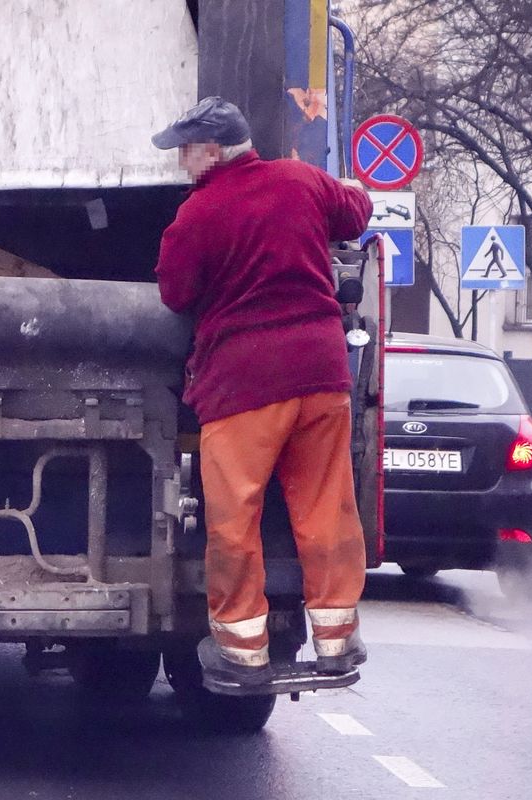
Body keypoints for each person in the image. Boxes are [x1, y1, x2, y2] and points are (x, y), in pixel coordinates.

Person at [152, 97, 374, 688]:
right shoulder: (302, 180)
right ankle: (336, 641)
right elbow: (356, 212)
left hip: (244, 385)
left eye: (185, 149)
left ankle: (243, 651)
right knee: (328, 508)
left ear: (213, 151)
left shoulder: (198, 214)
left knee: (233, 518)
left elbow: (174, 293)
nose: (179, 160)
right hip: (322, 376)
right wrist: (347, 185)